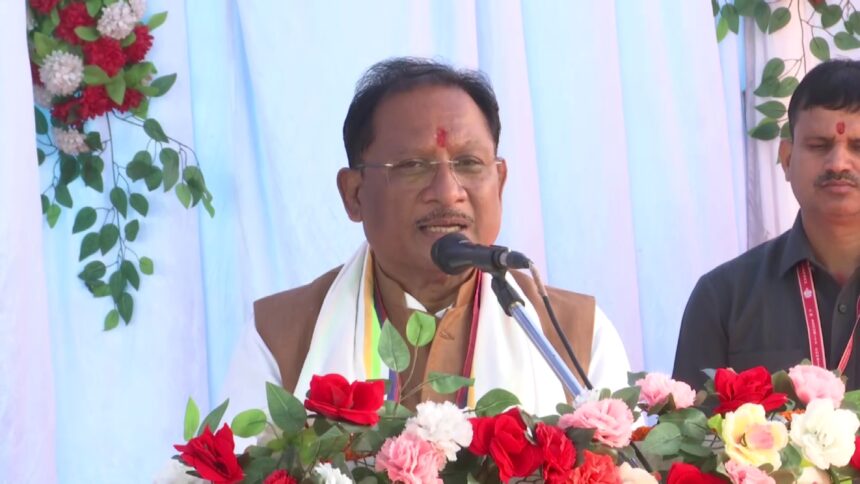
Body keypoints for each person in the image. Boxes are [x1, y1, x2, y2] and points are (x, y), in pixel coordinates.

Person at [222, 57, 629, 417]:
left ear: (500, 182)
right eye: (414, 165)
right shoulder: (279, 337)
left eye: (469, 163)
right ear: (354, 194)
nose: (448, 191)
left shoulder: (575, 336)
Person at [673, 59, 860, 390]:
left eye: (858, 147)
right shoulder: (723, 298)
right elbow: (691, 438)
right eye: (819, 146)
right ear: (787, 159)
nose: (839, 163)